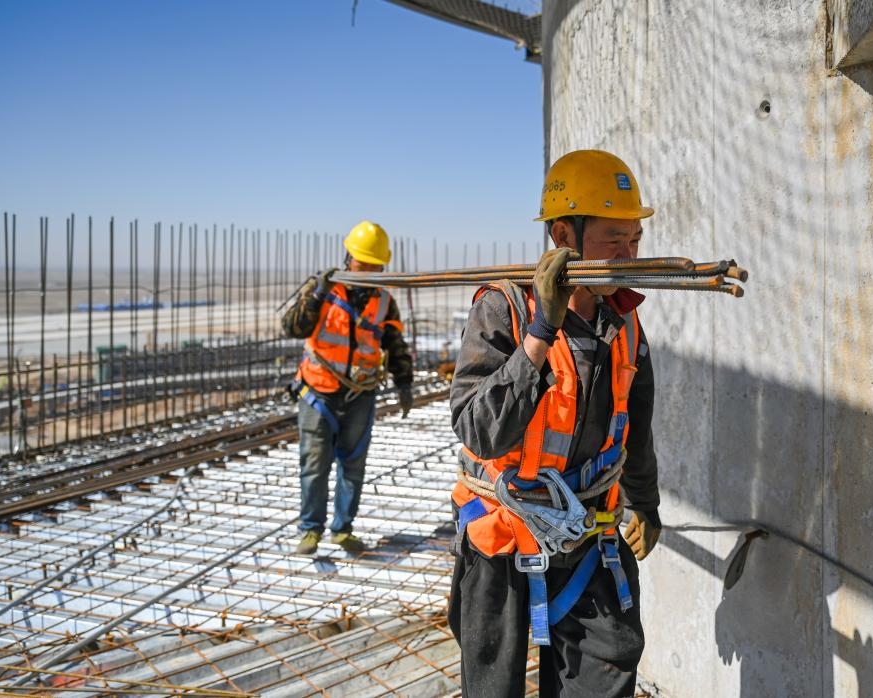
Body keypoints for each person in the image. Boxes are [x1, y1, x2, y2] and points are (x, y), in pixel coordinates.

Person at [448, 150, 662, 697]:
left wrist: (645, 504)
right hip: (504, 536)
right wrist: (541, 333)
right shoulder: (505, 310)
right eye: (615, 238)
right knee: (493, 686)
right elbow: (479, 429)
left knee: (611, 665)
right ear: (564, 233)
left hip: (589, 536)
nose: (630, 253)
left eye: (635, 238)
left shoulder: (624, 319)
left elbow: (633, 429)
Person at [282, 220, 414, 555]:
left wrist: (404, 384)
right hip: (318, 393)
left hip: (359, 395)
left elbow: (395, 345)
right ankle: (310, 530)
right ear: (348, 258)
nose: (367, 269)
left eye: (374, 264)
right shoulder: (324, 291)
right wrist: (316, 295)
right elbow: (292, 328)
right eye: (362, 261)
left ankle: (342, 530)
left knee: (353, 467)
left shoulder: (384, 302)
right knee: (314, 465)